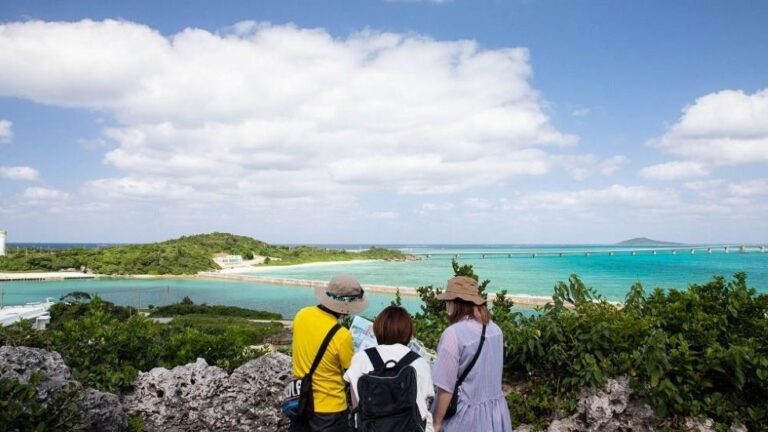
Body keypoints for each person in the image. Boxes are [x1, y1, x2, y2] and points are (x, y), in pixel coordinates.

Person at [431, 276, 512, 432]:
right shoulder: (495, 330)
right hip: (496, 415)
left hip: (465, 418)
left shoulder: (453, 334)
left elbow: (445, 387)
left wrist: (436, 422)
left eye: (448, 302)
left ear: (455, 303)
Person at [291, 275, 369, 432]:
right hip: (330, 408)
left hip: (301, 400)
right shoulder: (342, 335)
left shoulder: (301, 315)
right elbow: (350, 370)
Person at [344, 306, 435, 431]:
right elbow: (424, 405)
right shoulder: (419, 362)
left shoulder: (361, 358)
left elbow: (356, 405)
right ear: (408, 331)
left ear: (378, 328)